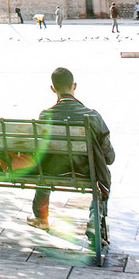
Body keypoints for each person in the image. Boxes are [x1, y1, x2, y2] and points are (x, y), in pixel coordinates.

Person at [26, 66, 114, 241]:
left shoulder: (45, 116)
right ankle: (94, 222)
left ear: (53, 89)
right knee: (103, 175)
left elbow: (39, 150)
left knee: (44, 165)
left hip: (53, 170)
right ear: (74, 86)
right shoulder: (93, 116)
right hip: (86, 171)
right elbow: (108, 157)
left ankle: (41, 217)